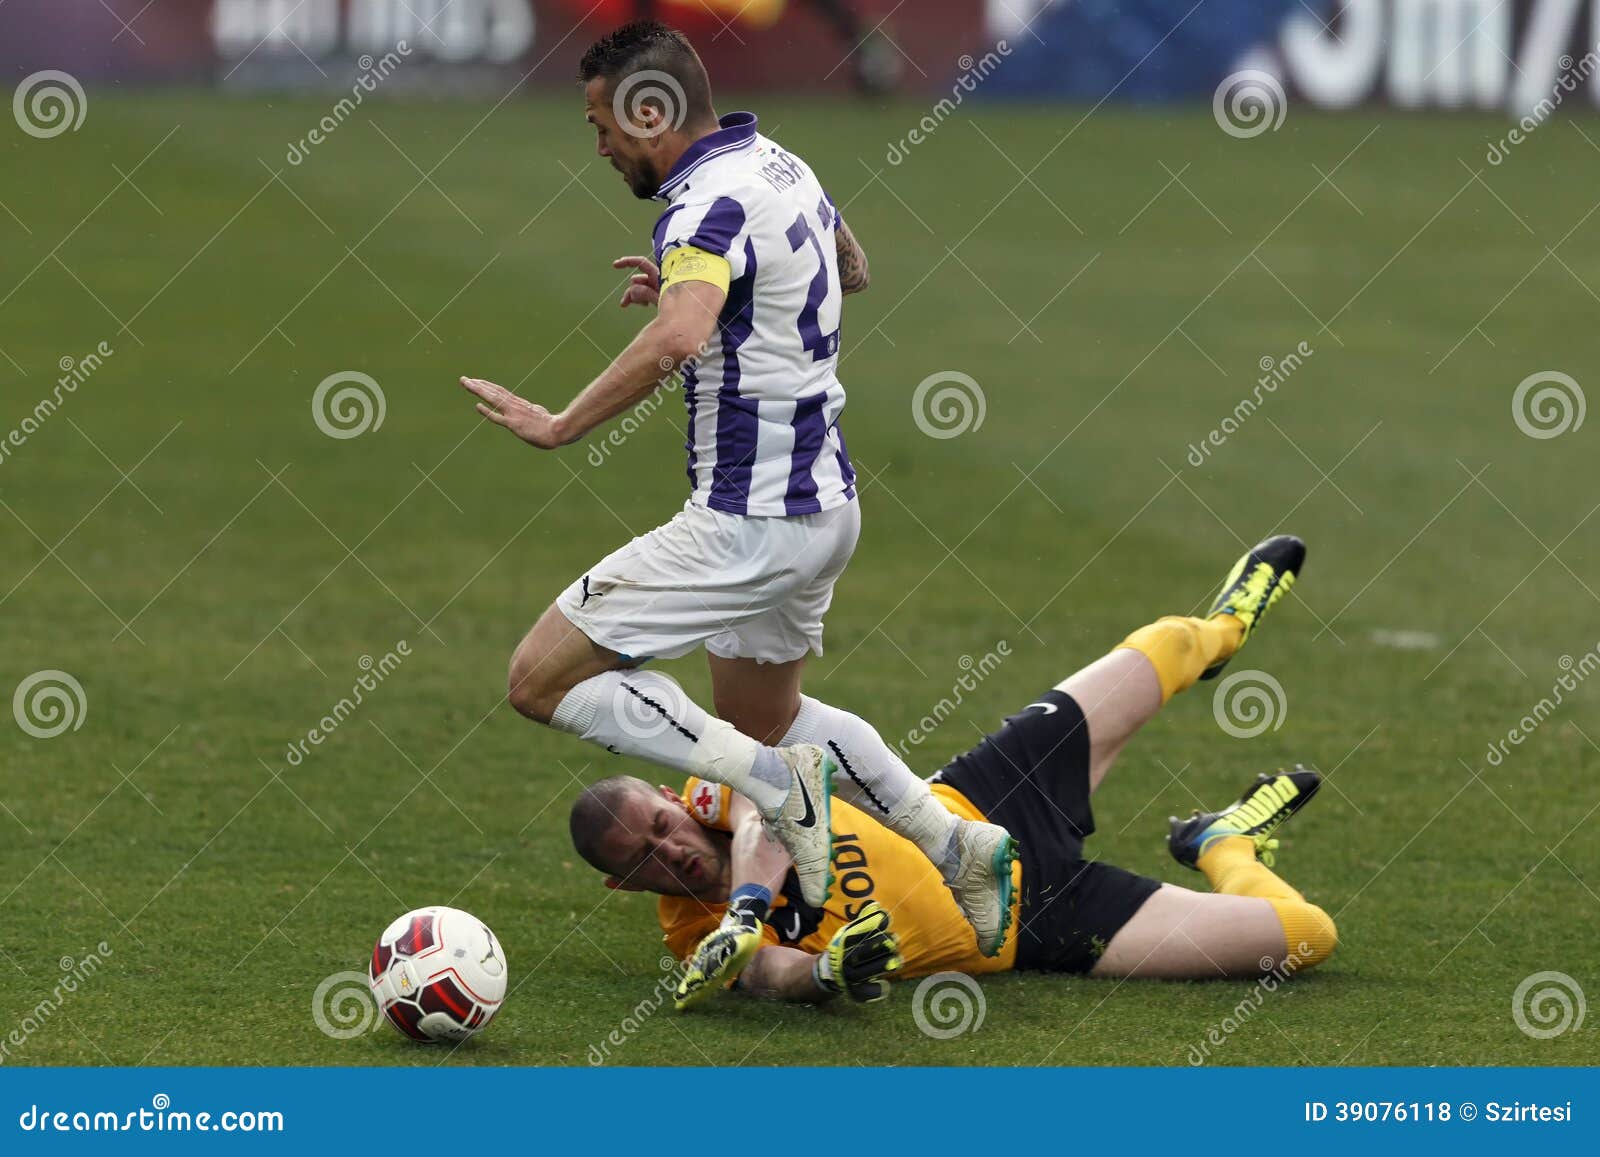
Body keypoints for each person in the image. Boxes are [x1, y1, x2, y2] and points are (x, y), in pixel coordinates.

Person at [457, 20, 1013, 954]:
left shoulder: (700, 209)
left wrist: (559, 424)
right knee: (769, 716)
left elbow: (678, 340)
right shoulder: (779, 163)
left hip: (745, 522)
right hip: (826, 507)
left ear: (649, 110)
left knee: (536, 680)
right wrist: (706, 288)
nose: (597, 146)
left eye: (601, 125)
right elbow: (852, 267)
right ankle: (954, 839)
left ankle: (775, 784)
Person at [568, 534, 1339, 1006]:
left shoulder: (718, 792)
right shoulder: (691, 935)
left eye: (660, 824)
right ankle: (1222, 845)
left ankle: (1228, 627)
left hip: (983, 801)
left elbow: (764, 806)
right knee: (1307, 936)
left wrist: (745, 904)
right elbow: (767, 976)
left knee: (1165, 649)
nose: (666, 847)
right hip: (1037, 923)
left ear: (672, 798)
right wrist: (826, 974)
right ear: (624, 885)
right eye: (641, 856)